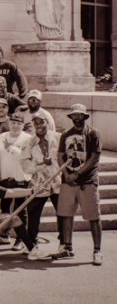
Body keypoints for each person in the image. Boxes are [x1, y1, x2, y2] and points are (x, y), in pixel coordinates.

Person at [54, 104, 103, 265]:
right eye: (74, 115)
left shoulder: (93, 133)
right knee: (66, 214)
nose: (77, 118)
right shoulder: (66, 134)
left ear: (84, 116)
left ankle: (97, 251)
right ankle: (67, 247)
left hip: (87, 181)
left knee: (93, 216)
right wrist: (67, 174)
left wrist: (78, 173)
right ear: (71, 117)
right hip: (68, 181)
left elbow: (94, 157)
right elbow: (60, 155)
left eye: (80, 115)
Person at [19, 112, 63, 255]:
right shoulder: (28, 143)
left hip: (58, 182)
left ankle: (64, 243)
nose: (39, 126)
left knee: (62, 213)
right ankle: (31, 243)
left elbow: (64, 159)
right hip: (39, 183)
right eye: (35, 123)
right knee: (33, 213)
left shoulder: (59, 138)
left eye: (41, 122)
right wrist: (41, 163)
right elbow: (26, 166)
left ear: (47, 122)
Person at [0, 114, 32, 250]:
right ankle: (4, 235)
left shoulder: (28, 138)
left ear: (23, 125)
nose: (15, 125)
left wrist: (11, 148)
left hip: (21, 178)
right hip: (5, 178)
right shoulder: (1, 136)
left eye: (18, 123)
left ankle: (20, 239)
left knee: (21, 210)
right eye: (13, 123)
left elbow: (27, 157)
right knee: (5, 209)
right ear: (9, 123)